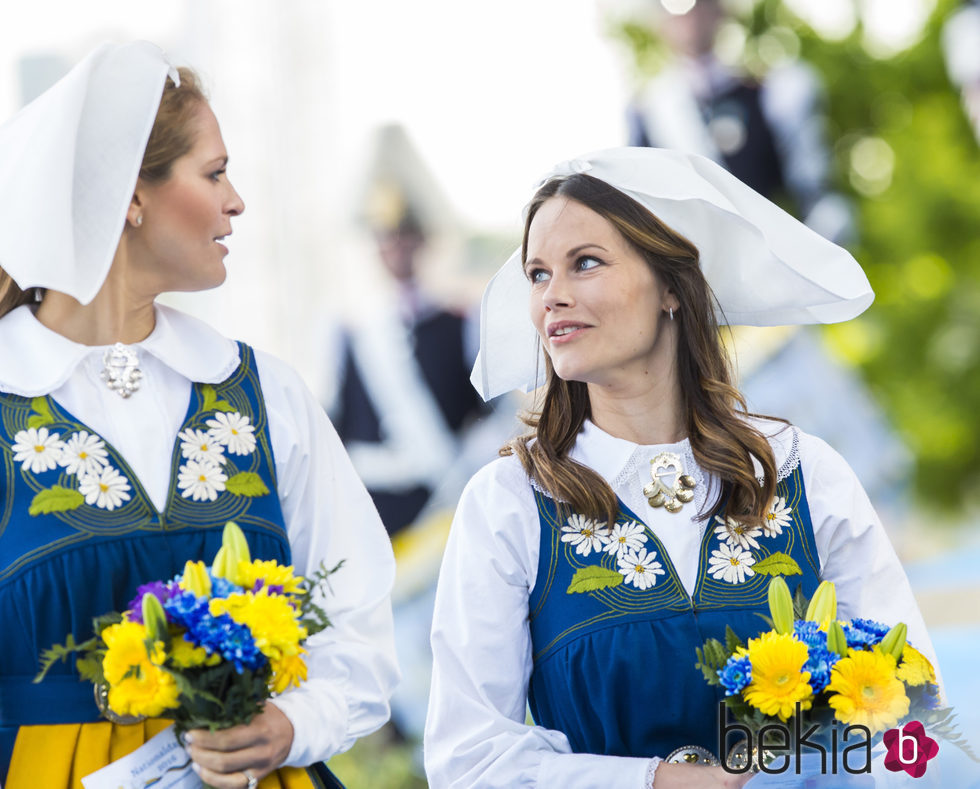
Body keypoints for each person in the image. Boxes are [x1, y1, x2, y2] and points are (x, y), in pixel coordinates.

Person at [423, 148, 938, 788]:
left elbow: (910, 718)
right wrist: (650, 782)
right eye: (537, 274)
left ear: (671, 285)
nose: (552, 297)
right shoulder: (510, 502)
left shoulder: (805, 475)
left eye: (585, 264)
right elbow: (469, 762)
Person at [0, 42, 398, 789]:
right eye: (214, 173)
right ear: (130, 193)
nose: (236, 200)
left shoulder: (264, 392)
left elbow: (363, 628)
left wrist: (291, 723)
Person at [627, 0, 852, 244]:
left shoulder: (769, 93)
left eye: (700, 4)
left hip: (771, 256)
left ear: (720, 11)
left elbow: (813, 194)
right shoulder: (650, 112)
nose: (689, 15)